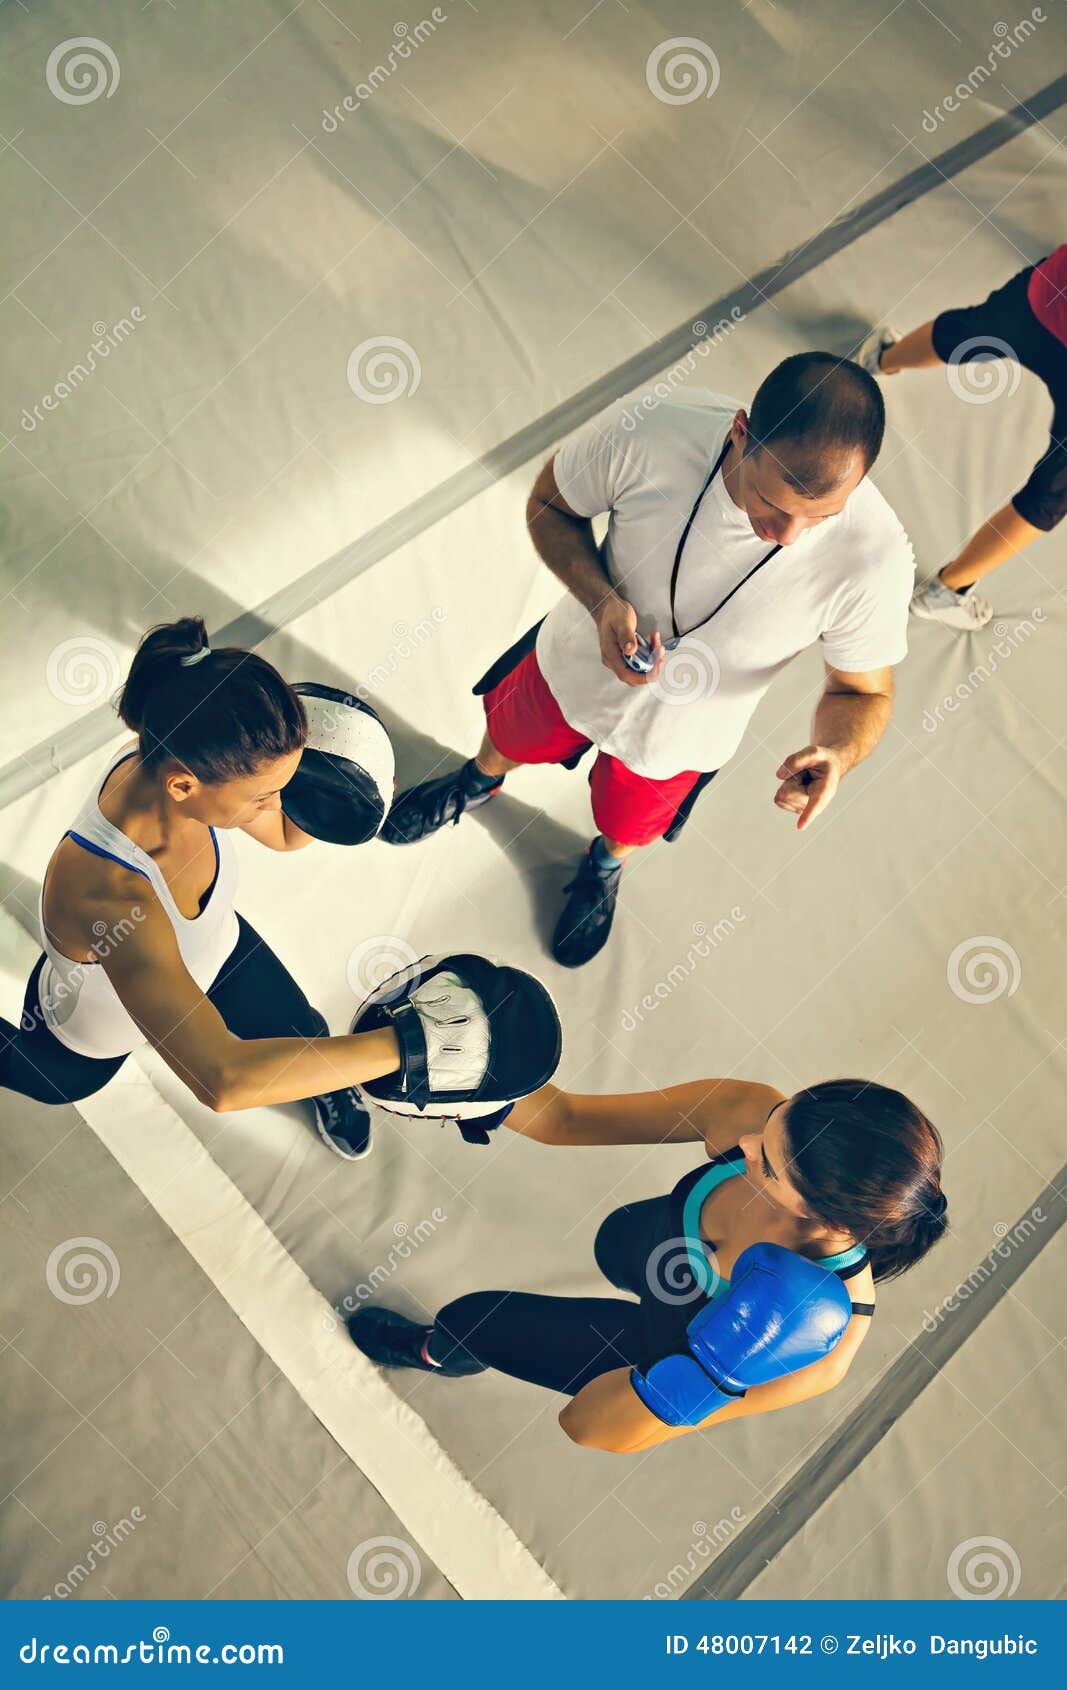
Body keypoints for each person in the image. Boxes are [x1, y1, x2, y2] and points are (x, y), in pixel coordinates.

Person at [381, 353, 914, 967]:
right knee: (509, 735)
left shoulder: (876, 560)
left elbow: (863, 692)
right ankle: (477, 781)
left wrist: (839, 753)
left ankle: (605, 867)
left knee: (628, 825)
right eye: (771, 503)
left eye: (821, 517)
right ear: (741, 432)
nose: (791, 534)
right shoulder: (653, 428)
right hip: (572, 664)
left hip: (680, 743)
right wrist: (601, 601)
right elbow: (551, 505)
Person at [349, 1075, 947, 1453]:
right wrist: (476, 1082)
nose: (746, 1143)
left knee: (472, 1321)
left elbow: (589, 1427)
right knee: (612, 1244)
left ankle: (436, 1351)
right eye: (776, 1118)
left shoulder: (819, 1346)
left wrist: (711, 1372)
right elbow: (568, 1118)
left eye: (767, 1163)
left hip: (661, 1343)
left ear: (827, 1217)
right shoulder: (750, 1112)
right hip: (648, 1242)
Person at [0, 617, 401, 1158]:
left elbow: (286, 835)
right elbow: (221, 1079)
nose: (278, 805)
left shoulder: (175, 755)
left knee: (303, 1032)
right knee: (41, 1077)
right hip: (89, 1035)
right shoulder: (107, 896)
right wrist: (405, 1048)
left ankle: (326, 1081)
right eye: (264, 795)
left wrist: (344, 797)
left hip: (218, 952)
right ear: (184, 785)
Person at [859, 244, 1067, 631]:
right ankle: (946, 591)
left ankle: (881, 359)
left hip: (1049, 296)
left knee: (973, 331)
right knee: (1052, 494)